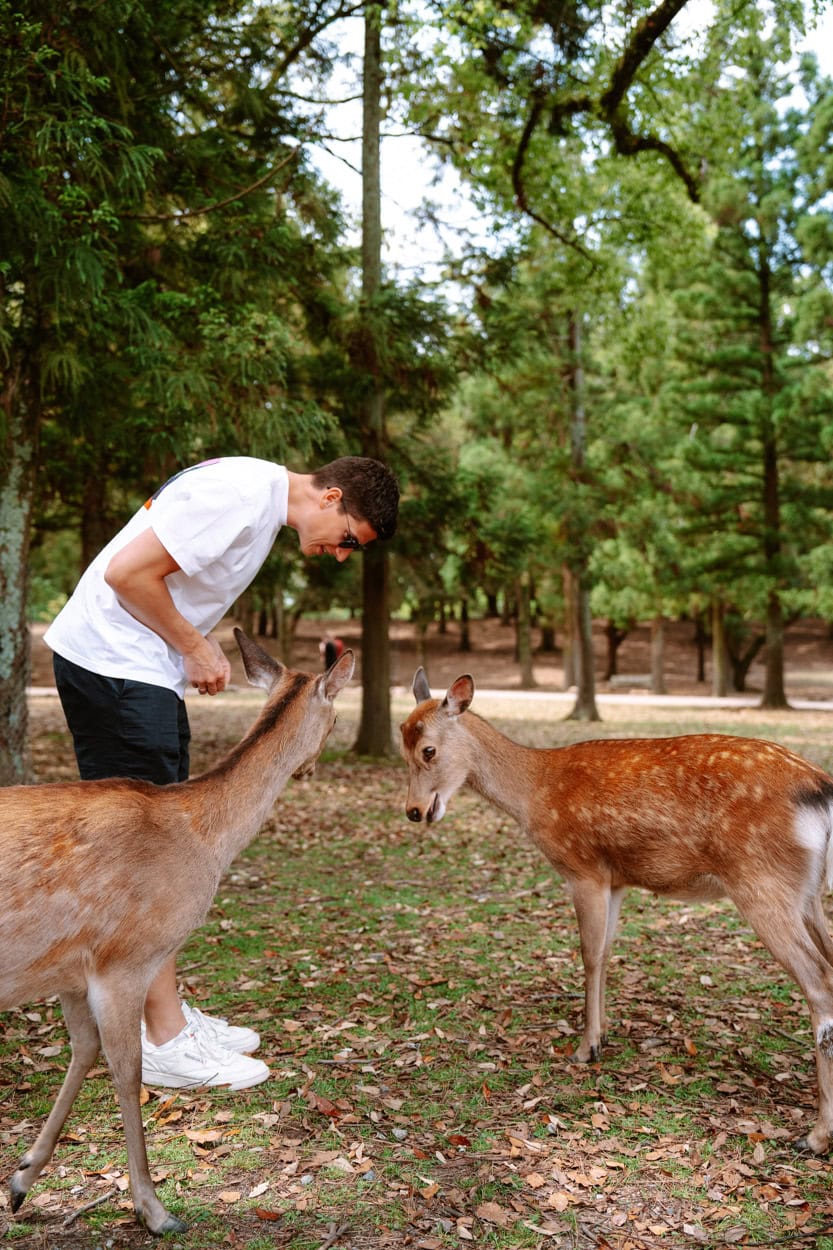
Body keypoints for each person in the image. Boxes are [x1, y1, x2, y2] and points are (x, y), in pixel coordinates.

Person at [44, 454, 399, 1090]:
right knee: (147, 862)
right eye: (350, 539)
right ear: (333, 497)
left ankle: (164, 1017)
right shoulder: (239, 496)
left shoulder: (256, 500)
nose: (342, 554)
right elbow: (128, 574)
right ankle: (161, 1041)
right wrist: (193, 644)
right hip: (116, 666)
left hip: (138, 669)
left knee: (165, 851)